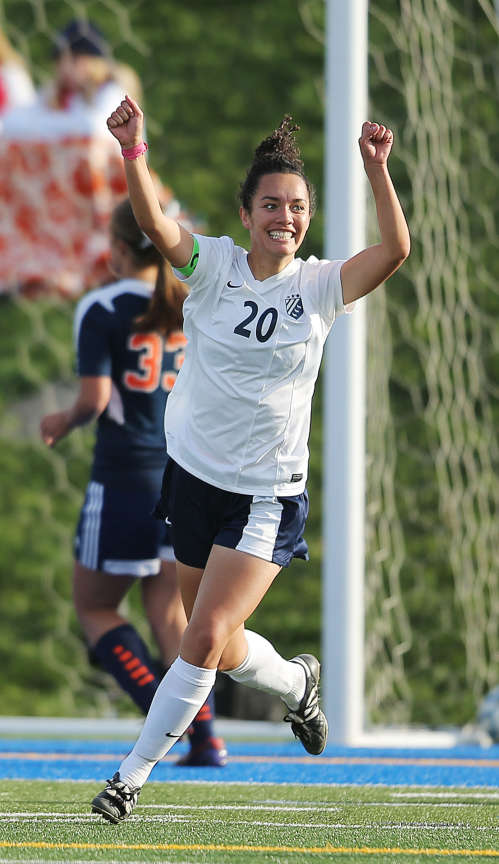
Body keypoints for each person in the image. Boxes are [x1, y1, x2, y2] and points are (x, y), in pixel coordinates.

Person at [90, 94, 410, 823]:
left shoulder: (320, 287)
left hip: (265, 496)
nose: (285, 217)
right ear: (246, 214)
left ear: (307, 217)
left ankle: (129, 780)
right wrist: (133, 151)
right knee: (221, 641)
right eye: (271, 204)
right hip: (193, 482)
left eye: (296, 206)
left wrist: (375, 169)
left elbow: (393, 251)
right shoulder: (210, 267)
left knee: (198, 639)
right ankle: (298, 687)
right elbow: (152, 224)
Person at [40, 197, 227, 768]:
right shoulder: (192, 298)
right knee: (172, 614)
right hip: (185, 473)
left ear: (120, 249)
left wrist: (62, 420)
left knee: (94, 608)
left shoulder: (102, 308)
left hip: (123, 477)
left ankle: (159, 720)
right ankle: (207, 739)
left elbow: (97, 400)